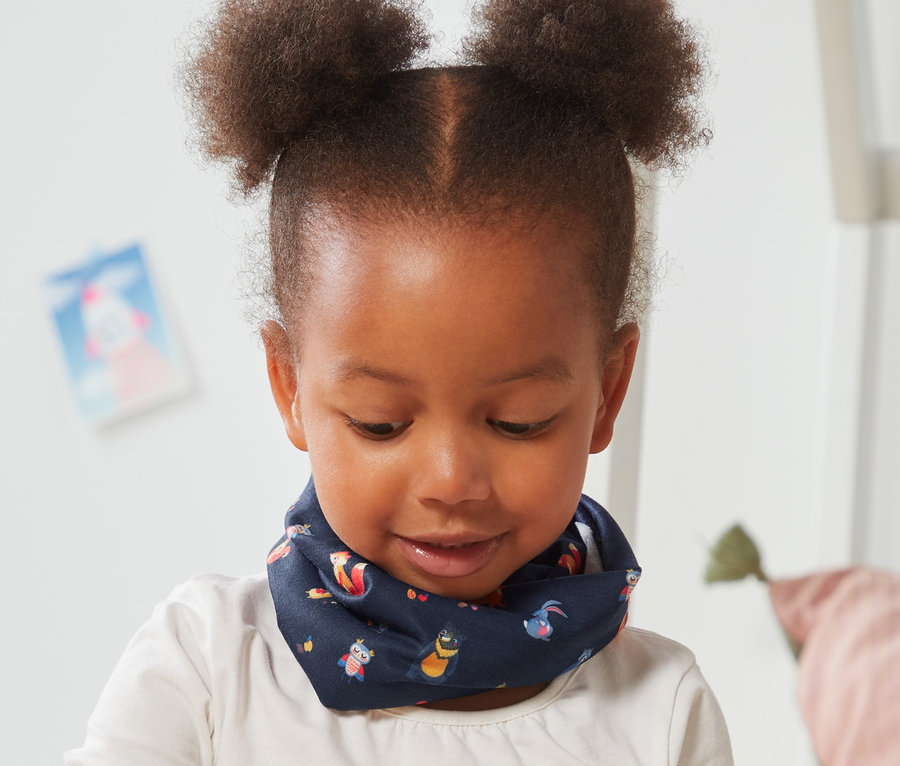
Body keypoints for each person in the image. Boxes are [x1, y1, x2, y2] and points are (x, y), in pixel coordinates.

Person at [66, 0, 732, 763]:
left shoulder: (659, 710)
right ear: (289, 387)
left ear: (608, 393)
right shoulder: (205, 667)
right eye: (381, 422)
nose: (451, 481)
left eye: (518, 420)